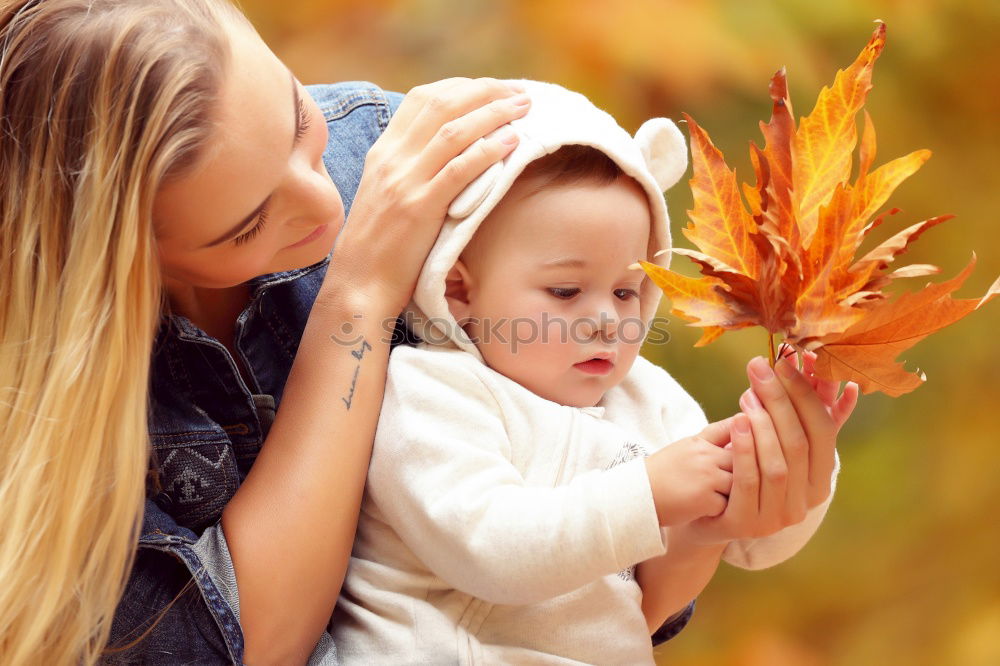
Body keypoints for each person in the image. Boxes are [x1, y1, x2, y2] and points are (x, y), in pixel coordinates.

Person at [0, 0, 534, 663]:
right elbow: (241, 644)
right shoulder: (32, 416)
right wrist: (360, 296)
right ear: (120, 267)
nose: (328, 204)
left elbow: (596, 430)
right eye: (247, 225)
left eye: (298, 119)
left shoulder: (398, 150)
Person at [331, 81, 860, 664]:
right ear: (459, 290)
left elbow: (752, 545)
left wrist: (791, 453)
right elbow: (489, 546)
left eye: (628, 290)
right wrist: (648, 494)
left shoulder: (648, 400)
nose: (607, 320)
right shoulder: (429, 392)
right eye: (565, 291)